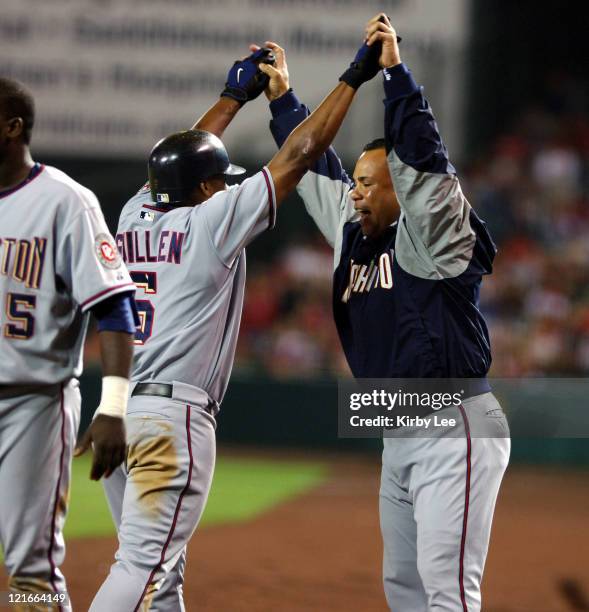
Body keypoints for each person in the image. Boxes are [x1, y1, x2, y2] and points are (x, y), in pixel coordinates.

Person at [89, 29, 384, 611]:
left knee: (160, 575)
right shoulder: (212, 221)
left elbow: (171, 161)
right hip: (173, 421)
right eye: (218, 180)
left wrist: (232, 97)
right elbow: (300, 155)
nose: (226, 185)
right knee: (141, 567)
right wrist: (351, 80)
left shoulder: (134, 213)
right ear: (205, 189)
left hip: (122, 412)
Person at [262, 14, 510, 612]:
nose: (357, 192)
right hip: (397, 426)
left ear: (401, 192)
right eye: (359, 184)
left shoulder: (436, 241)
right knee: (404, 589)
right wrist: (283, 101)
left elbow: (427, 169)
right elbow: (315, 168)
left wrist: (395, 75)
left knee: (447, 592)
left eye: (371, 184)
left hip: (454, 421)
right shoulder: (357, 236)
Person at [0, 77, 137, 610]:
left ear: (12, 128)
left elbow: (114, 307)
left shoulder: (64, 200)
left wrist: (114, 406)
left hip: (31, 402)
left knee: (30, 569)